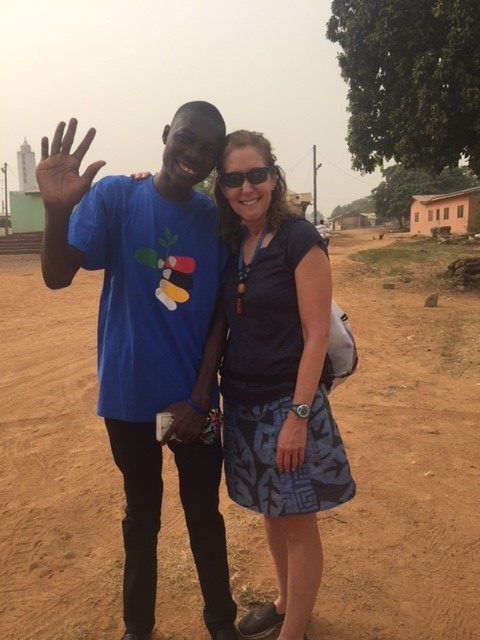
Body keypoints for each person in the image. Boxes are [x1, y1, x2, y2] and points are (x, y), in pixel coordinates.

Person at [36, 102, 238, 640]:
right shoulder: (115, 197)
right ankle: (137, 628)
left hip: (194, 406)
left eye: (207, 149)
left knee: (203, 514)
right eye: (186, 138)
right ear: (167, 133)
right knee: (141, 516)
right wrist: (56, 211)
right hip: (127, 401)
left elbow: (221, 313)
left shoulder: (215, 221)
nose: (193, 154)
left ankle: (221, 624)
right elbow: (57, 276)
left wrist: (199, 400)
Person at [213, 130, 356, 640]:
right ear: (222, 186)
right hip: (242, 401)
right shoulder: (232, 242)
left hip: (287, 404)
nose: (246, 187)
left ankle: (294, 632)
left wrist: (298, 419)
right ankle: (284, 601)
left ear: (273, 176)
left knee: (297, 522)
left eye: (256, 174)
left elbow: (316, 335)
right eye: (234, 178)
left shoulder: (299, 239)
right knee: (272, 515)